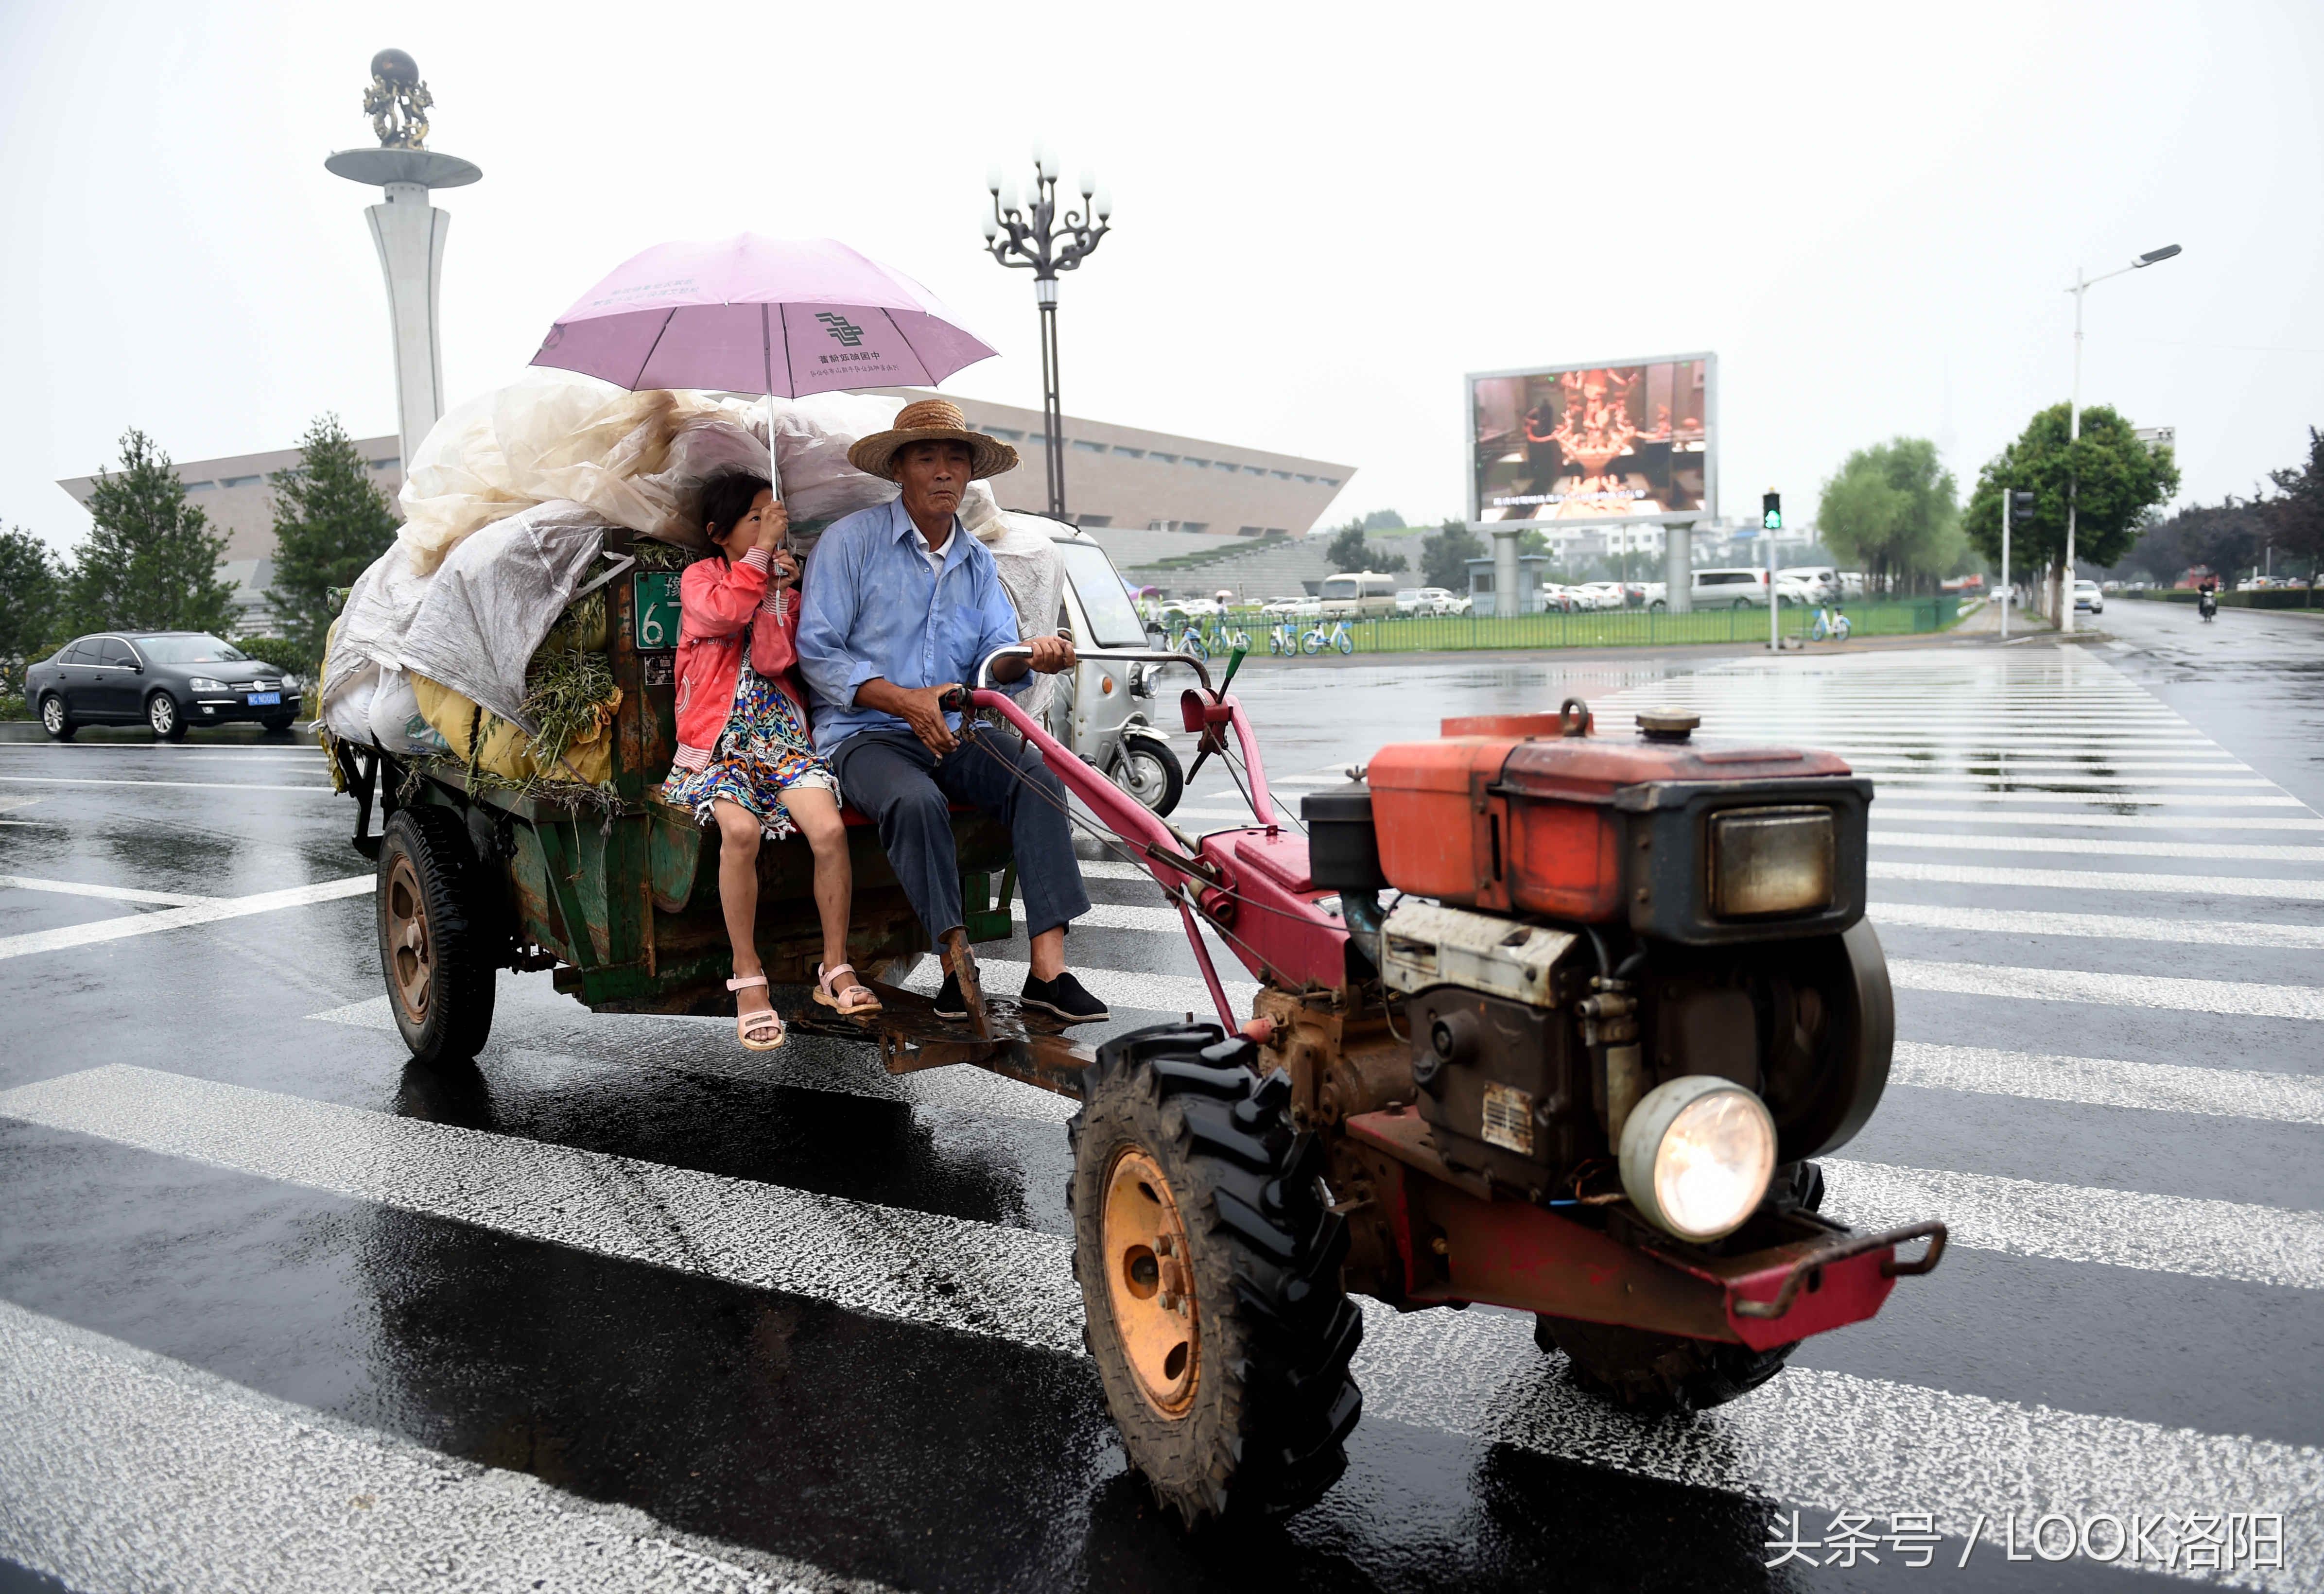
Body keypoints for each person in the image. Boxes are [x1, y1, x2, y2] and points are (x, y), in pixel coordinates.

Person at [796, 398, 1105, 1024]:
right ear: (900, 471)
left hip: (957, 729)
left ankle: (1049, 969)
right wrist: (905, 700)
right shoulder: (849, 544)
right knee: (915, 801)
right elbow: (819, 656)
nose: (944, 472)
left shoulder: (978, 561)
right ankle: (952, 963)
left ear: (970, 475)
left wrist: (1032, 655)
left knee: (1038, 777)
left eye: (956, 460)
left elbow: (996, 659)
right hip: (866, 734)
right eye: (928, 458)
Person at [663, 472, 876, 1052]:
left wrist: (779, 595)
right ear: (719, 533)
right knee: (741, 830)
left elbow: (779, 656)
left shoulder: (771, 583)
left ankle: (834, 968)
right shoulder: (701, 578)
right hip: (718, 742)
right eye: (753, 519)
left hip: (778, 735)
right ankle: (748, 975)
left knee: (829, 828)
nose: (766, 527)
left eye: (769, 516)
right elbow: (720, 617)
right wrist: (760, 565)